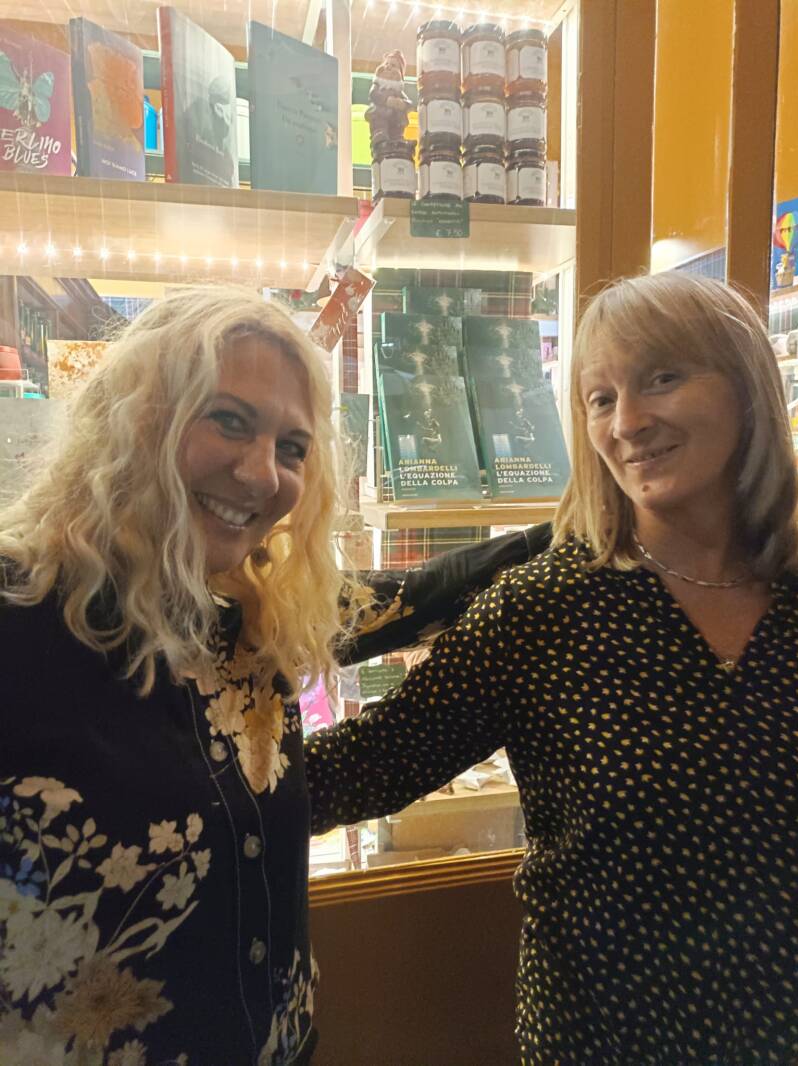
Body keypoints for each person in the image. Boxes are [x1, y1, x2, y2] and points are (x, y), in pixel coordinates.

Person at [0, 283, 547, 1065]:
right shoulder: (19, 612)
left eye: (293, 448)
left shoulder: (249, 612)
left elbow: (411, 600)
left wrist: (583, 529)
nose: (263, 475)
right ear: (136, 417)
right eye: (229, 420)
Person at [306, 272, 798, 1064]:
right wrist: (158, 762)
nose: (628, 422)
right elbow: (365, 765)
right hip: (605, 1043)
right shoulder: (545, 607)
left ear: (747, 388)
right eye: (601, 398)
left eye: (662, 378)